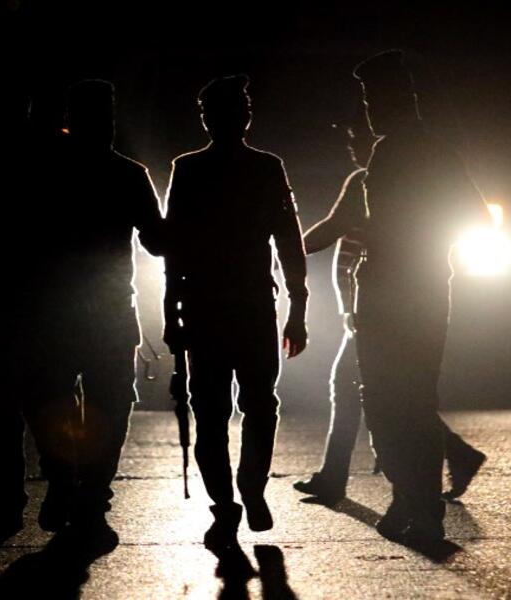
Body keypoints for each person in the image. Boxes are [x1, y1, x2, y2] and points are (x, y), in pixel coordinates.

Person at [0, 80, 164, 541]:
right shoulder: (123, 173)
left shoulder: (28, 169)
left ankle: (59, 491)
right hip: (96, 313)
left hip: (51, 313)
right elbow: (158, 241)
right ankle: (83, 496)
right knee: (101, 403)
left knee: (46, 404)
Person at [294, 97, 485, 505]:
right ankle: (420, 481)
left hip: (390, 302)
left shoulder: (387, 177)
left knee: (384, 392)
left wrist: (286, 249)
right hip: (374, 302)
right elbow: (336, 227)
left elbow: (332, 228)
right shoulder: (371, 177)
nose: (354, 146)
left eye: (360, 136)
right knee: (388, 391)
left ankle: (414, 493)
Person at [340, 50, 489, 544]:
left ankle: (418, 503)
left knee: (390, 401)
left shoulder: (404, 151)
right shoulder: (427, 149)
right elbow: (476, 217)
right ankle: (412, 498)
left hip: (395, 291)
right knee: (405, 400)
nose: (367, 108)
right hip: (416, 290)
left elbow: (474, 218)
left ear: (397, 97)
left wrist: (401, 236)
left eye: (372, 97)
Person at [162, 74, 308, 550]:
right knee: (252, 404)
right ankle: (242, 494)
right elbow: (287, 239)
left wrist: (171, 311)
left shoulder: (193, 169)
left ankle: (233, 500)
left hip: (215, 306)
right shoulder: (262, 168)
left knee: (219, 411)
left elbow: (174, 248)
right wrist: (297, 304)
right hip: (238, 306)